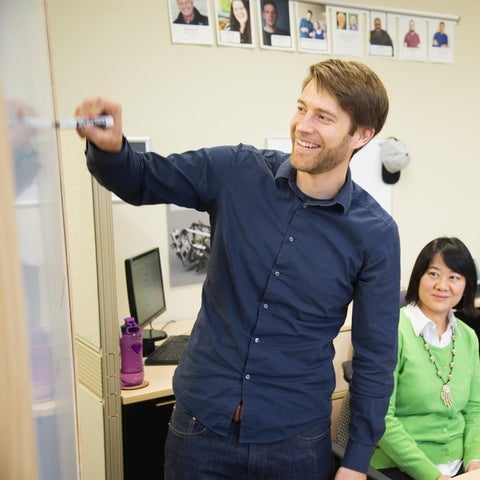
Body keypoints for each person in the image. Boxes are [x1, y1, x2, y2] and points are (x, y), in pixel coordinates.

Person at [74, 58, 401, 480]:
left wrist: (356, 462)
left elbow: (376, 358)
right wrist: (110, 147)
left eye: (323, 117)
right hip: (200, 431)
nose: (303, 125)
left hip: (296, 444)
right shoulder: (238, 171)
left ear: (362, 134)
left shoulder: (375, 234)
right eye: (302, 108)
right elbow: (143, 179)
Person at [371, 237, 480, 480]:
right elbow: (381, 418)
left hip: (461, 467)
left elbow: (475, 410)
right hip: (400, 466)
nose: (443, 285)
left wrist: (474, 462)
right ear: (418, 277)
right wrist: (433, 476)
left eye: (454, 277)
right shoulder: (392, 331)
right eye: (433, 273)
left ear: (466, 285)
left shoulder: (469, 337)